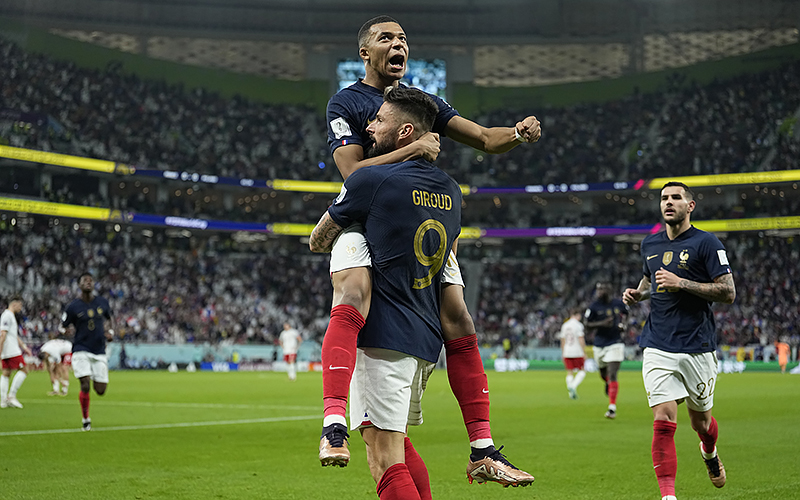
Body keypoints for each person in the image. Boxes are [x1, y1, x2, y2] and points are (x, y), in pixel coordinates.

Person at [318, 14, 539, 484]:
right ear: (366, 52)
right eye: (386, 38)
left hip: (424, 219)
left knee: (458, 315)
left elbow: (483, 138)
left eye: (402, 38)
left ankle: (483, 447)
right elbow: (354, 174)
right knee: (354, 294)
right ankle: (332, 418)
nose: (398, 44)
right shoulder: (348, 102)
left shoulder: (421, 103)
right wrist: (412, 149)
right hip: (369, 220)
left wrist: (517, 134)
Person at [623, 181, 735, 500]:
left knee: (701, 422)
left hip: (697, 346)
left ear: (690, 206)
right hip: (658, 344)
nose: (668, 202)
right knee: (662, 419)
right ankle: (668, 496)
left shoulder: (707, 243)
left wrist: (682, 282)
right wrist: (638, 293)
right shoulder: (650, 244)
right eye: (664, 198)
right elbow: (650, 279)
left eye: (675, 198)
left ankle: (709, 450)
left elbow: (728, 292)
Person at [62, 272, 116, 431]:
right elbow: (63, 325)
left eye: (91, 281)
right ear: (79, 285)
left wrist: (111, 332)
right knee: (85, 385)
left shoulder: (102, 302)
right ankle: (86, 419)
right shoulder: (73, 306)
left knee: (100, 390)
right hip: (81, 348)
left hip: (99, 350)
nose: (88, 283)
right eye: (85, 280)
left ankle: (91, 374)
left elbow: (109, 319)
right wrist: (66, 332)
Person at [584, 281, 628, 419]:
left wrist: (623, 325)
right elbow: (586, 325)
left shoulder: (618, 303)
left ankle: (612, 408)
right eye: (598, 289)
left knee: (613, 374)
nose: (600, 291)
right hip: (599, 344)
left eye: (603, 288)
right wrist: (601, 324)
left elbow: (627, 314)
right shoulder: (594, 306)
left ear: (610, 289)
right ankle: (607, 382)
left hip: (615, 343)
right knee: (603, 373)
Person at [0, 295, 31, 409]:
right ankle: (11, 396)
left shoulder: (9, 315)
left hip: (7, 349)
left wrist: (24, 346)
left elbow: (13, 334)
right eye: (20, 305)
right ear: (14, 304)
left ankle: (3, 401)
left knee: (6, 373)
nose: (21, 308)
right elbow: (3, 334)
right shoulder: (7, 315)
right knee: (24, 369)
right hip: (11, 349)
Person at [558, 308, 586, 400]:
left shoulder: (565, 325)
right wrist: (584, 351)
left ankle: (571, 393)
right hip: (577, 351)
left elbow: (562, 340)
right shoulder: (578, 325)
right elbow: (580, 339)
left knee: (569, 372)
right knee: (582, 370)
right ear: (577, 315)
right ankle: (573, 386)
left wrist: (563, 352)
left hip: (567, 351)